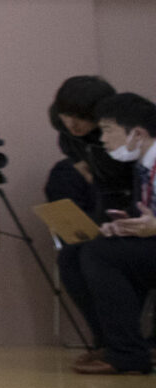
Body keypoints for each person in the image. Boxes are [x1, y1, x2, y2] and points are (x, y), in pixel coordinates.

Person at [71, 91, 156, 376]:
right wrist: (126, 224)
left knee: (101, 255)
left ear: (137, 133)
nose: (103, 139)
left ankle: (128, 354)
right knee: (75, 254)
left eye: (108, 130)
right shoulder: (144, 165)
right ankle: (115, 344)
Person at [45, 74, 132, 336]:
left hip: (131, 203)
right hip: (106, 198)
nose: (73, 123)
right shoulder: (66, 132)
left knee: (101, 257)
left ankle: (127, 343)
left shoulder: (120, 136)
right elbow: (85, 170)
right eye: (66, 115)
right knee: (71, 258)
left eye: (82, 117)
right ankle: (104, 340)